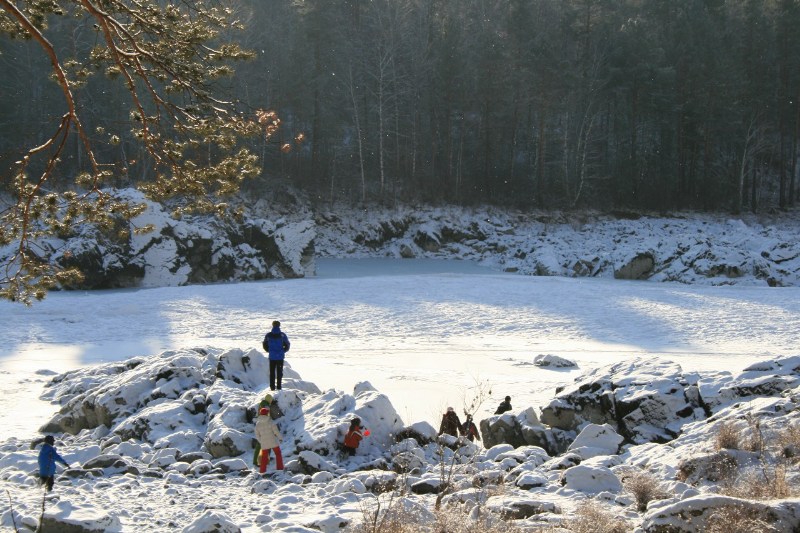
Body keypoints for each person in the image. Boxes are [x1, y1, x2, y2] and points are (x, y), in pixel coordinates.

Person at [263, 320, 290, 391]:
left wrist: (269, 351)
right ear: (279, 325)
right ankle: (279, 387)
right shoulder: (282, 335)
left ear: (272, 325)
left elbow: (264, 344)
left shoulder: (268, 335)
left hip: (272, 357)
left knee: (272, 372)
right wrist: (283, 351)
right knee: (279, 372)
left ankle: (272, 388)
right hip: (280, 357)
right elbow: (287, 345)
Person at [254, 407, 284, 473]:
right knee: (278, 454)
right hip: (273, 441)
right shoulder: (271, 422)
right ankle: (280, 468)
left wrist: (261, 441)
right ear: (267, 414)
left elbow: (257, 435)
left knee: (264, 457)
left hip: (264, 443)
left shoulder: (258, 424)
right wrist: (280, 438)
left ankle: (262, 471)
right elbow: (276, 432)